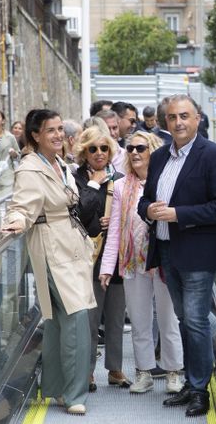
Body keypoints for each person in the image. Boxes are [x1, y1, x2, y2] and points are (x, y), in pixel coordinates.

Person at [139, 94, 216, 417]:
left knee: (195, 321)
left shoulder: (214, 156)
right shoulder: (157, 158)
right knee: (184, 319)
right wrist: (149, 210)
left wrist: (179, 214)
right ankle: (192, 383)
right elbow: (145, 201)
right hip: (167, 249)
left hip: (199, 252)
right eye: (172, 117)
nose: (178, 122)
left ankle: (200, 389)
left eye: (185, 116)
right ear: (164, 122)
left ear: (197, 120)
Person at [1, 109, 95, 416]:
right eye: (50, 130)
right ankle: (74, 392)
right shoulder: (30, 168)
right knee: (76, 316)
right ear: (35, 136)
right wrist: (15, 221)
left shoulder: (57, 163)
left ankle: (57, 388)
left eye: (59, 129)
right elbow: (21, 205)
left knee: (58, 319)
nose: (58, 135)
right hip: (51, 245)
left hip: (69, 242)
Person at [99, 131, 184, 395]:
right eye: (130, 148)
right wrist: (106, 268)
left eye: (141, 148)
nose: (134, 153)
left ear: (153, 151)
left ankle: (173, 372)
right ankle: (144, 372)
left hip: (162, 261)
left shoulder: (165, 183)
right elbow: (114, 230)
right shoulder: (122, 186)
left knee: (168, 320)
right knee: (139, 321)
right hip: (132, 262)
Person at [72, 126, 131, 392]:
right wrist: (98, 221)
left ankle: (115, 369)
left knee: (116, 316)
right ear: (84, 151)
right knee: (91, 319)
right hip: (88, 257)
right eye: (93, 148)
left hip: (116, 257)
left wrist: (115, 222)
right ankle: (88, 372)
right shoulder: (77, 179)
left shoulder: (120, 178)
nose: (99, 153)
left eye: (104, 148)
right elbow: (79, 213)